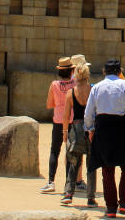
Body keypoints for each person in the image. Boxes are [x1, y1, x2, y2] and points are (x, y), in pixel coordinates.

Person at [84, 59, 125, 218]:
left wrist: (90, 129)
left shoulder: (96, 87)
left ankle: (110, 208)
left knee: (107, 169)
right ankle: (124, 204)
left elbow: (88, 113)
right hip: (123, 128)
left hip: (103, 129)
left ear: (104, 71)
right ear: (119, 71)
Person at [61, 62, 97, 206]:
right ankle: (90, 197)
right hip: (91, 128)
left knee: (74, 162)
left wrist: (64, 132)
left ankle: (69, 193)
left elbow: (65, 115)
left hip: (76, 129)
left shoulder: (71, 92)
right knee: (91, 164)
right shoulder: (93, 90)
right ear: (87, 75)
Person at [40, 57, 76, 193]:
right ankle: (69, 183)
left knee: (55, 150)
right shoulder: (75, 84)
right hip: (72, 120)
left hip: (58, 120)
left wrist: (59, 104)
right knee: (70, 152)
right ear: (71, 71)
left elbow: (49, 104)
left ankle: (51, 182)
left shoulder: (54, 85)